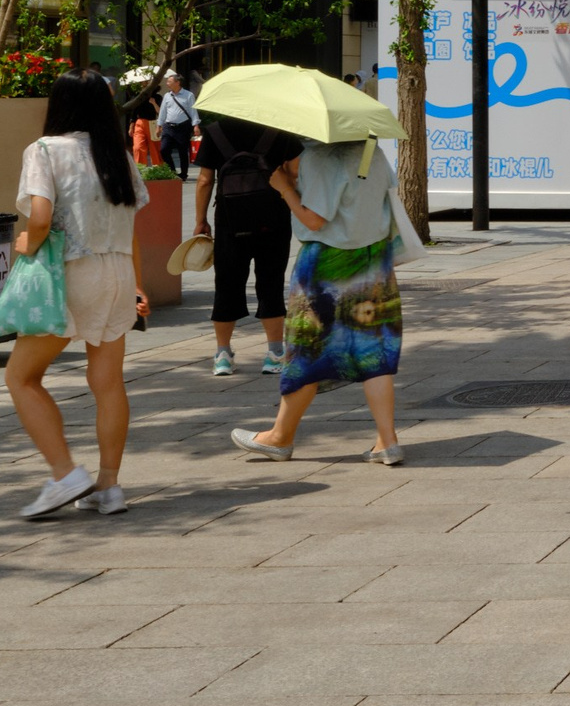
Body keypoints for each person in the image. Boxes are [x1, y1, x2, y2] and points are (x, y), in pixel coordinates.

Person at [4, 72, 148, 519]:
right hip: (118, 272)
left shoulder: (45, 150)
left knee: (21, 377)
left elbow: (40, 217)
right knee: (108, 382)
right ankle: (109, 485)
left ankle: (64, 473)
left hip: (70, 273)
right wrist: (138, 286)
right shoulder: (119, 155)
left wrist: (27, 241)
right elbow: (131, 228)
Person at [229, 132, 406, 466]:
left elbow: (314, 219)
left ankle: (280, 437)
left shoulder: (322, 156)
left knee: (307, 349)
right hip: (373, 262)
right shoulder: (373, 152)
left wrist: (285, 188)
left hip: (327, 264)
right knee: (374, 351)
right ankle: (388, 440)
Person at [191, 109, 301, 378]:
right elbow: (294, 172)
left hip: (230, 222)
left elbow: (205, 180)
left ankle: (223, 355)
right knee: (271, 282)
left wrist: (201, 220)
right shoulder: (279, 129)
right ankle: (275, 353)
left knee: (226, 285)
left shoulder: (215, 131)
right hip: (273, 220)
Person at [154, 70, 196, 179]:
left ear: (177, 83)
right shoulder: (167, 96)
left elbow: (193, 111)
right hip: (168, 127)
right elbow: (163, 112)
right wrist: (159, 126)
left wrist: (196, 125)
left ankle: (183, 174)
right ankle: (172, 171)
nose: (167, 83)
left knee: (183, 152)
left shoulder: (188, 95)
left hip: (183, 127)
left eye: (169, 81)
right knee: (164, 150)